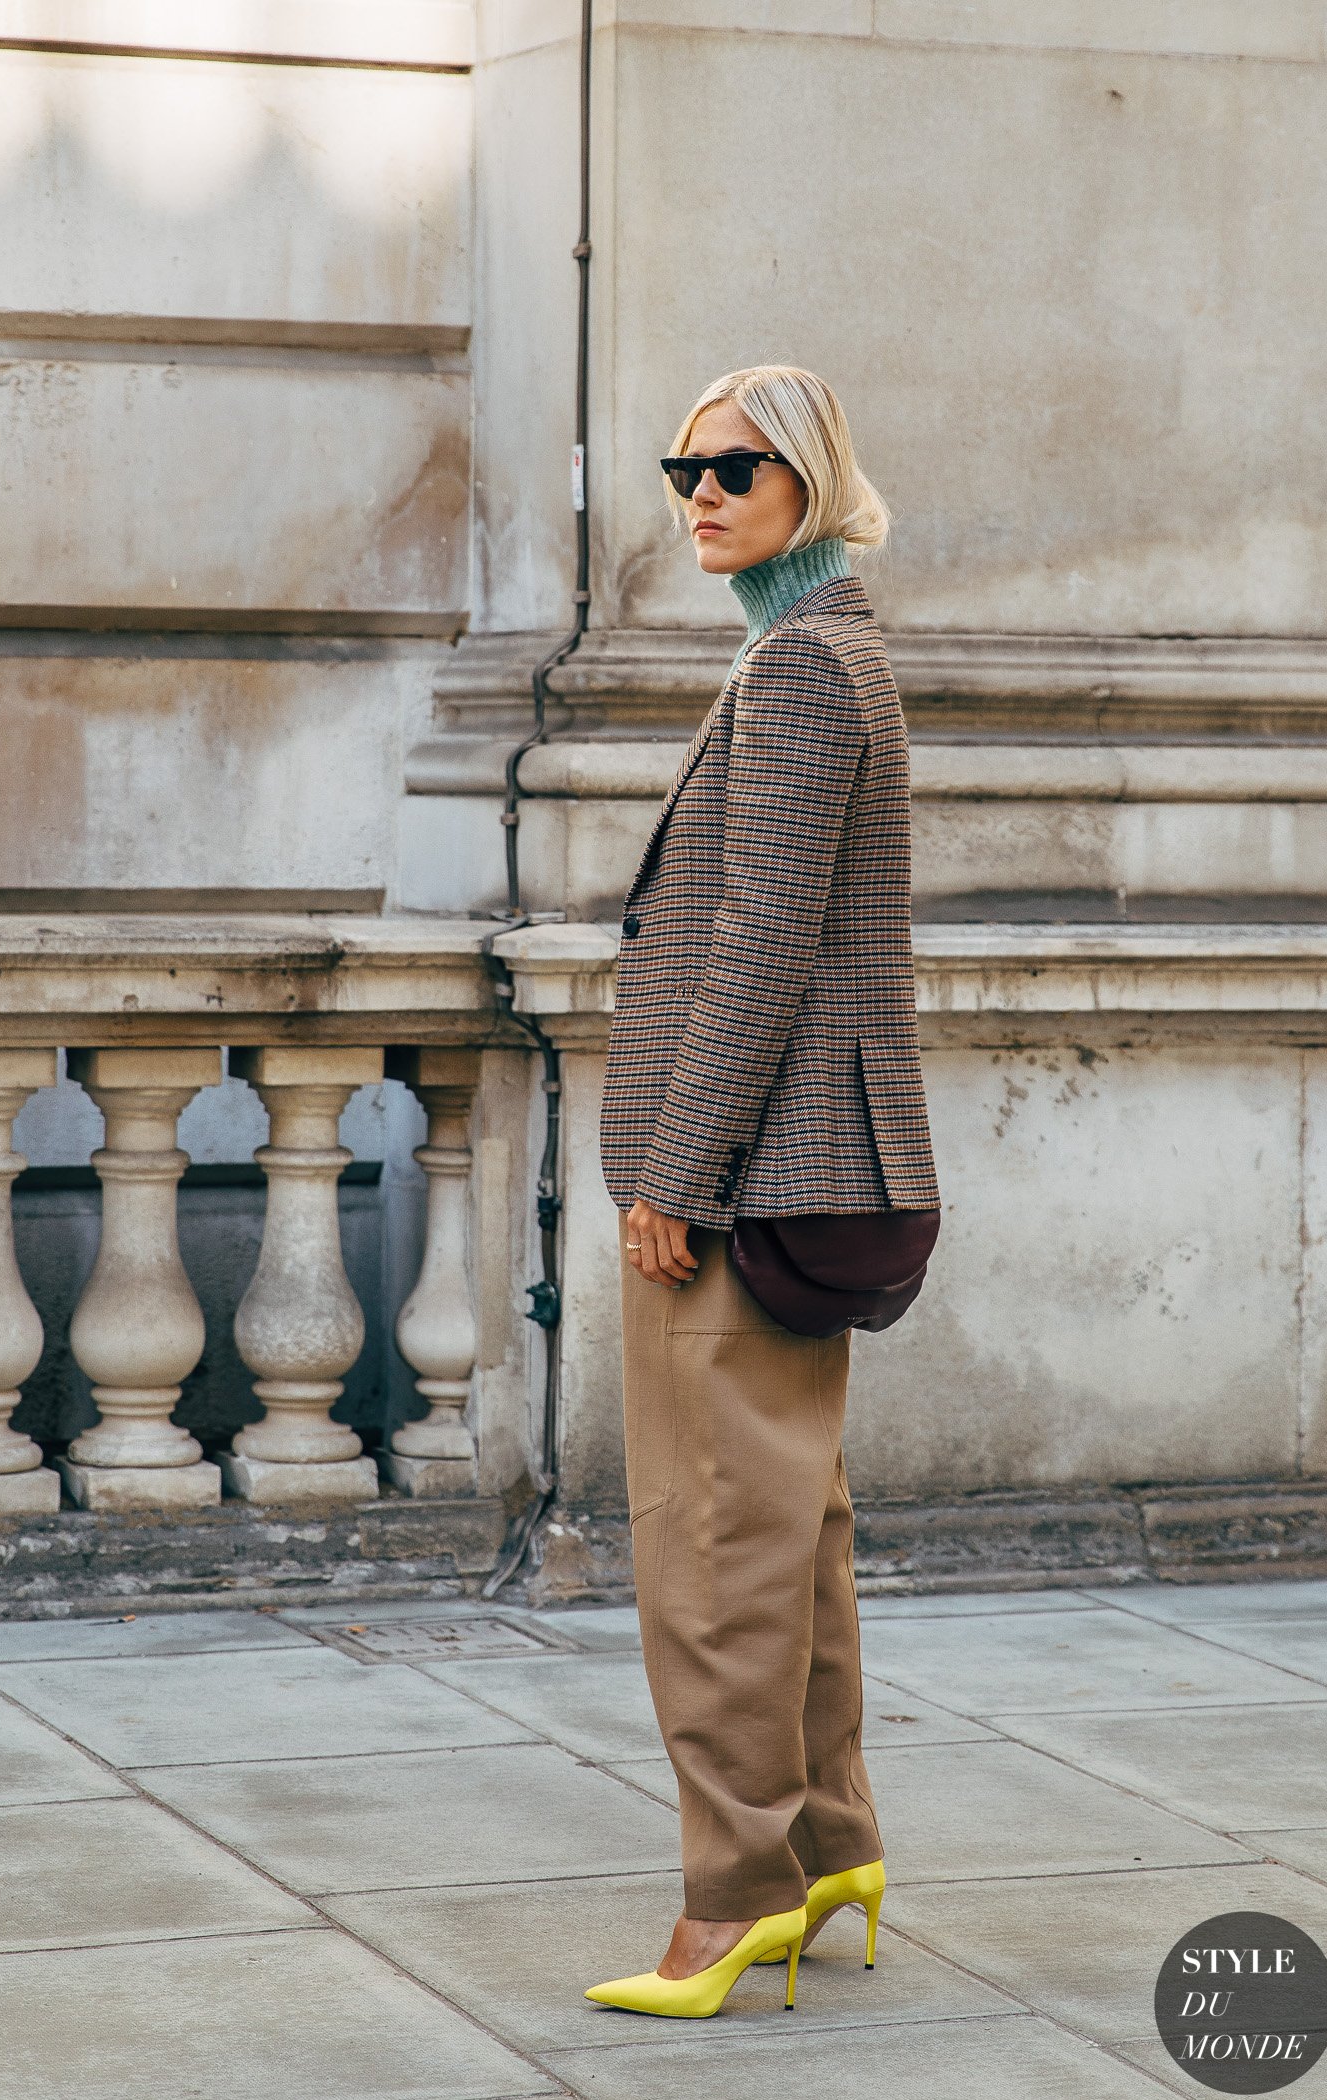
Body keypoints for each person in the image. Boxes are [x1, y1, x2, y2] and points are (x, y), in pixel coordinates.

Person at [588, 364, 940, 2018]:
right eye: (685, 467)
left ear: (811, 476)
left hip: (743, 1171)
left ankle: (729, 1903)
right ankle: (829, 1848)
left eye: (738, 466)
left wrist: (678, 1175)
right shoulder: (814, 648)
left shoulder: (802, 668)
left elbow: (759, 953)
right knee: (789, 1528)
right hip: (804, 1163)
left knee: (715, 1542)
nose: (702, 493)